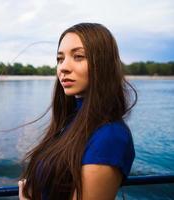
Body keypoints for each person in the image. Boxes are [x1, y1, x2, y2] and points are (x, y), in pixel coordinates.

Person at [18, 23, 137, 200]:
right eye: (60, 59)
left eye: (78, 56)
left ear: (103, 64)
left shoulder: (110, 137)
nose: (63, 68)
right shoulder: (71, 122)